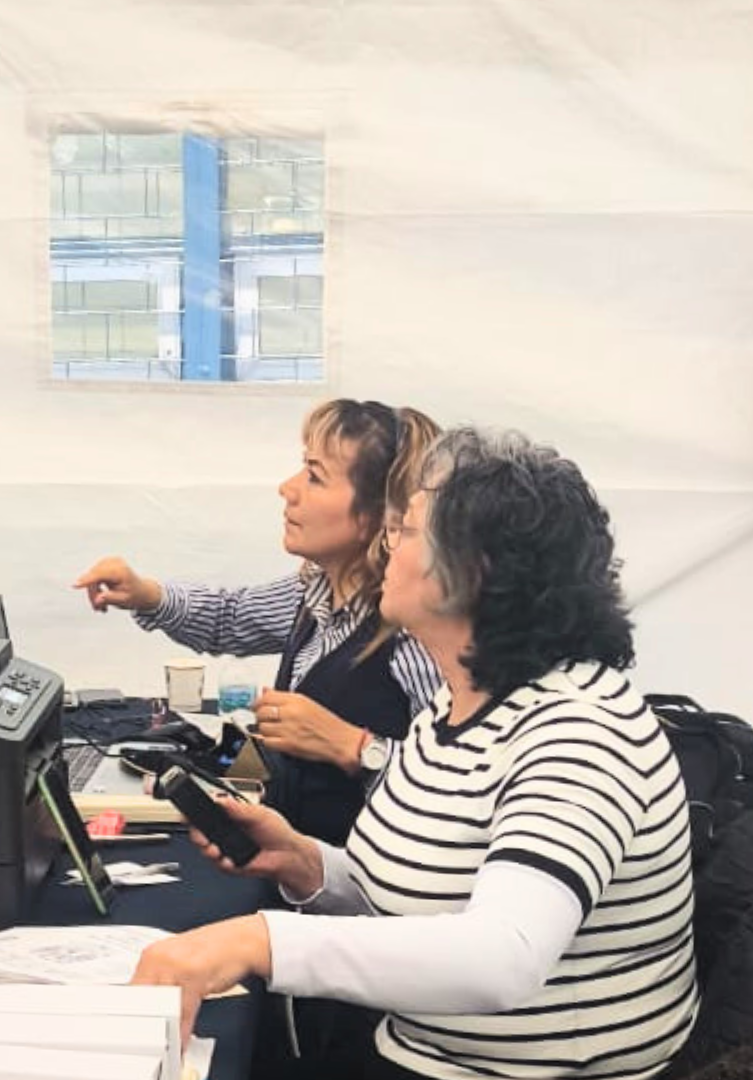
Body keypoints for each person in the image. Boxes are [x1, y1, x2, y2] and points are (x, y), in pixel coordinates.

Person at [132, 428, 698, 1080]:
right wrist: (307, 864)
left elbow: (502, 957)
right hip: (422, 1054)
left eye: (404, 530)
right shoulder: (459, 704)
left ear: (473, 571)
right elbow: (424, 896)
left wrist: (259, 940)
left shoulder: (578, 732)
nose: (386, 546)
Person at [71, 399, 443, 846]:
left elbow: (455, 787)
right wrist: (147, 594)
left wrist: (353, 747)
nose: (287, 488)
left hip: (356, 876)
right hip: (296, 859)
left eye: (315, 476)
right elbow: (231, 617)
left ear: (376, 516)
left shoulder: (415, 634)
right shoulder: (315, 592)